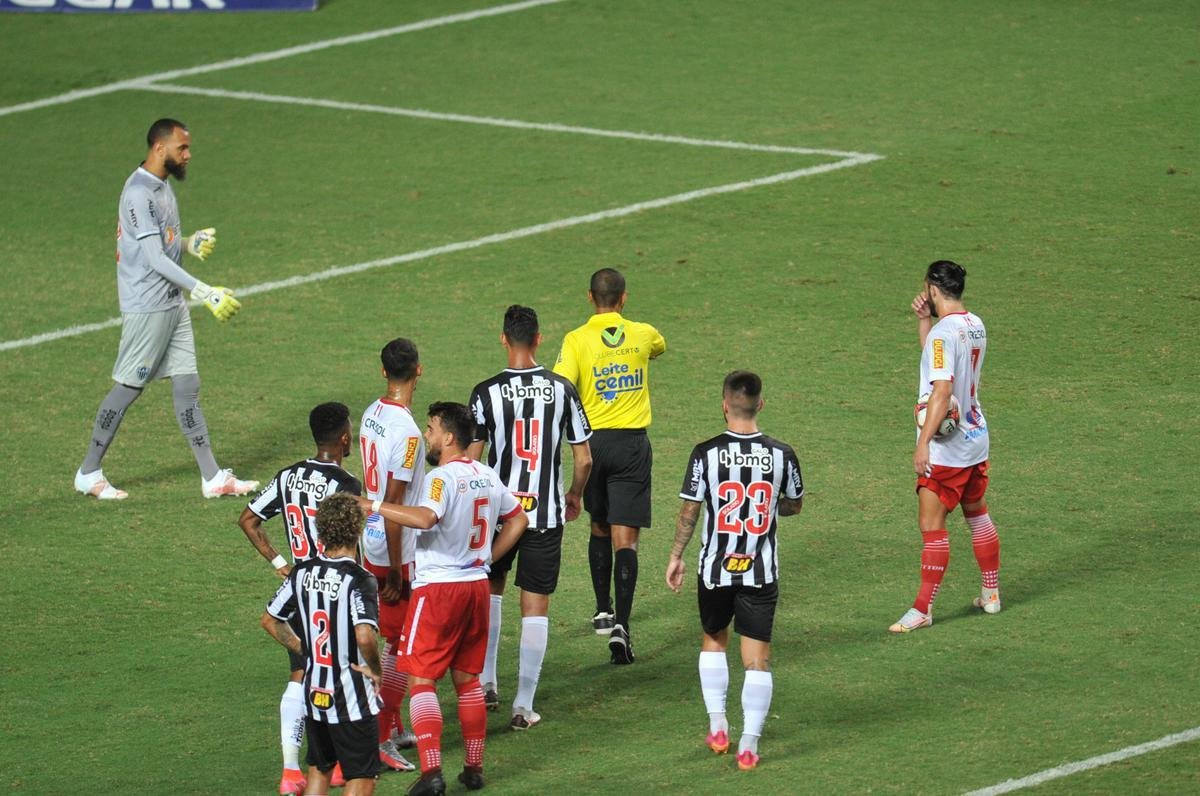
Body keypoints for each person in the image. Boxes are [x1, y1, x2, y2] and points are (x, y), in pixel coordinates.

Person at [74, 117, 255, 501]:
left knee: (187, 385)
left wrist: (189, 244)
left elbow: (161, 243)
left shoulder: (162, 186)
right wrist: (205, 291)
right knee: (128, 388)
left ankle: (212, 477)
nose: (188, 155)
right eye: (182, 148)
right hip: (148, 305)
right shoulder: (138, 193)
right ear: (160, 149)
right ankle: (88, 472)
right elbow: (154, 258)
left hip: (171, 302)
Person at [362, 402, 529, 795]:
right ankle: (473, 768)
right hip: (476, 587)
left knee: (421, 680)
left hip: (438, 589)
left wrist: (373, 505)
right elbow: (519, 517)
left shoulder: (442, 478)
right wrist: (488, 556)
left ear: (449, 437)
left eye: (432, 428)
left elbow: (424, 519)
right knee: (468, 681)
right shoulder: (486, 474)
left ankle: (431, 772)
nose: (427, 435)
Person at [665, 371, 804, 772]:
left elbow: (690, 510)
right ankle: (748, 745)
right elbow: (794, 505)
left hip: (716, 570)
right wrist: (763, 513)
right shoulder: (782, 454)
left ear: (725, 404)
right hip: (760, 572)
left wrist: (676, 555)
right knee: (757, 660)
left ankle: (718, 726)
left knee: (714, 639)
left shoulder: (705, 453)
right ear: (760, 404)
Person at [467, 305, 592, 729]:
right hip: (545, 513)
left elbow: (471, 460)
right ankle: (524, 704)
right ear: (539, 339)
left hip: (499, 515)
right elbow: (584, 457)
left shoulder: (484, 393)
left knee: (490, 591)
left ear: (504, 338)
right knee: (535, 607)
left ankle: (486, 685)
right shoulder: (562, 389)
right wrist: (573, 494)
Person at [238, 402, 365, 795]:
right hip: (331, 589)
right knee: (340, 674)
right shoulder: (347, 485)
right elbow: (352, 546)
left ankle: (292, 772)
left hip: (297, 588)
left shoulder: (288, 475)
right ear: (344, 437)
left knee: (301, 673)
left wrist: (281, 563)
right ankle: (337, 763)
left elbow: (248, 519)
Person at [553, 268, 665, 664]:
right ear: (624, 298)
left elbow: (561, 384)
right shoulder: (643, 333)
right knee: (626, 539)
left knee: (598, 525)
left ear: (590, 297)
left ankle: (603, 610)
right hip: (631, 444)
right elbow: (658, 347)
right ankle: (623, 626)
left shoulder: (576, 339)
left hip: (592, 443)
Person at [890, 260, 1002, 633]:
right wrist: (924, 321)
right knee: (978, 514)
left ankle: (923, 608)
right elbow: (937, 361)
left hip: (948, 448)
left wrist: (923, 444)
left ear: (934, 289)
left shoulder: (944, 334)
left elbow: (941, 390)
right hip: (976, 438)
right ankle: (991, 594)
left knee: (932, 526)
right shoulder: (974, 324)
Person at [261, 492, 384, 796]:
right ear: (357, 529)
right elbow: (365, 636)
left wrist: (307, 650)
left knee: (319, 768)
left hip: (314, 691)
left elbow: (271, 620)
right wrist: (375, 668)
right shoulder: (359, 579)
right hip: (351, 695)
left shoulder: (301, 572)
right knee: (362, 775)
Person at [358, 338, 424, 769]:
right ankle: (380, 737)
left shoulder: (370, 413)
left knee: (387, 635)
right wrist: (400, 570)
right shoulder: (409, 433)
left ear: (384, 372)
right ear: (418, 370)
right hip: (396, 548)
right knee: (401, 643)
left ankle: (394, 724)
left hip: (369, 539)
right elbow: (396, 505)